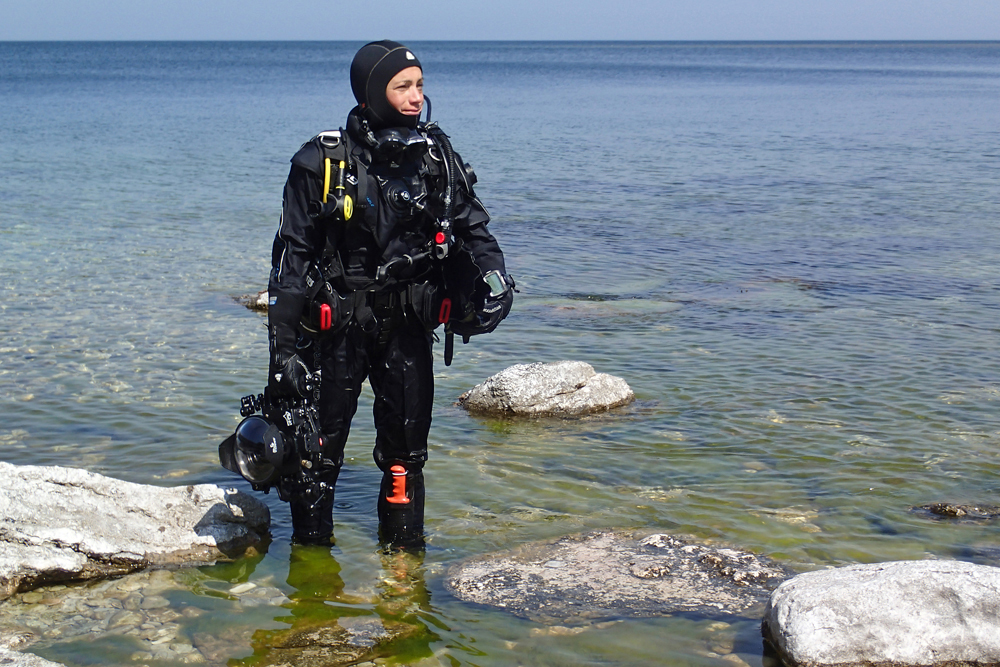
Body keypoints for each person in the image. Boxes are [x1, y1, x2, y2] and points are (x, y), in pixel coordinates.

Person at [265, 41, 513, 548]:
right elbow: (292, 261)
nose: (416, 96)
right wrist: (282, 355)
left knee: (405, 456)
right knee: (316, 453)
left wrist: (495, 281)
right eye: (403, 86)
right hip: (336, 332)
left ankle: (404, 580)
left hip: (407, 329)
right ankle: (312, 582)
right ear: (372, 92)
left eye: (420, 85)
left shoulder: (436, 158)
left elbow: (474, 233)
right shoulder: (321, 162)